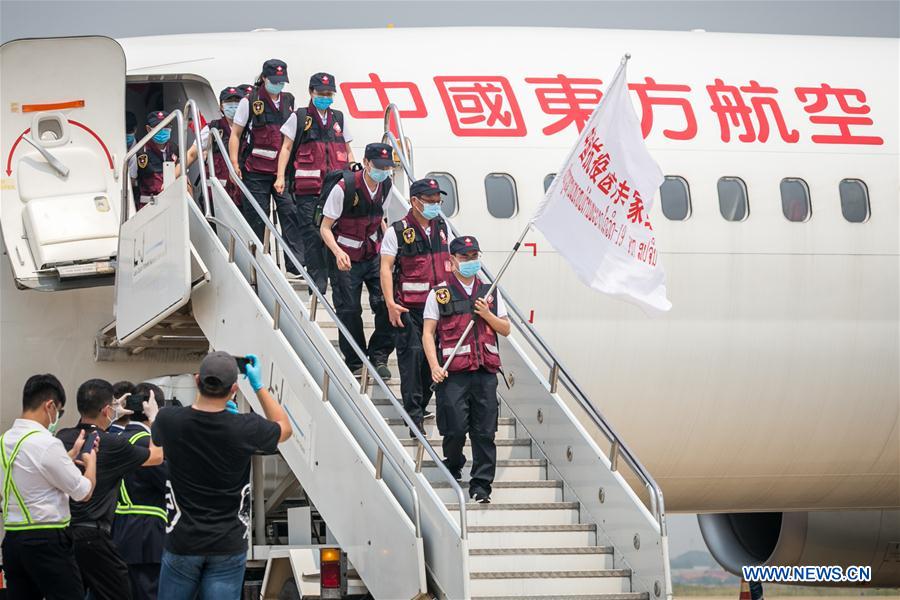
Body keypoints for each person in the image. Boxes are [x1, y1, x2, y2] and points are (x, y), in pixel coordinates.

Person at [153, 352, 292, 600]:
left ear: (197, 381)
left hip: (182, 541)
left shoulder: (169, 420)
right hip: (228, 542)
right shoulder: (246, 427)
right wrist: (258, 386)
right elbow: (285, 427)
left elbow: (159, 441)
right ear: (234, 390)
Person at [57, 379, 164, 600]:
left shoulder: (62, 437)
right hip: (94, 536)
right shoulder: (113, 445)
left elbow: (86, 427)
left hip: (63, 534)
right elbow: (156, 457)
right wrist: (155, 419)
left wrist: (110, 415)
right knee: (121, 593)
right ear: (106, 409)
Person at [422, 236, 510, 503]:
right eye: (465, 257)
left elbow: (505, 329)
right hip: (454, 374)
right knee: (455, 429)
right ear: (452, 261)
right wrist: (434, 366)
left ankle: (481, 486)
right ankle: (454, 459)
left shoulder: (490, 292)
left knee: (485, 432)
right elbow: (428, 333)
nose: (471, 262)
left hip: (484, 372)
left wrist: (487, 314)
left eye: (474, 257)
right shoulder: (439, 294)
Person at [0, 374, 97, 600]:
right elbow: (83, 492)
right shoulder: (46, 443)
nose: (57, 418)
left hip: (12, 541)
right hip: (47, 541)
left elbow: (29, 475)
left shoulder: (4, 441)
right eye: (59, 411)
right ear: (50, 405)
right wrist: (90, 463)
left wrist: (65, 459)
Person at [380, 178, 451, 436]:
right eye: (430, 202)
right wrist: (390, 303)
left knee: (430, 364)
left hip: (439, 311)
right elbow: (386, 268)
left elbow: (450, 262)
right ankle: (413, 418)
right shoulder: (397, 231)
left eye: (438, 202)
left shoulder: (442, 227)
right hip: (409, 309)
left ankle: (420, 406)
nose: (435, 206)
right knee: (411, 362)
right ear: (415, 202)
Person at [319, 143, 396, 379]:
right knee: (349, 309)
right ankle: (355, 360)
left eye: (387, 167)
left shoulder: (386, 186)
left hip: (372, 253)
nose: (383, 171)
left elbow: (380, 218)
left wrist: (388, 247)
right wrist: (337, 252)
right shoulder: (345, 187)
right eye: (378, 166)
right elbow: (325, 227)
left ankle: (379, 354)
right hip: (346, 256)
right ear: (366, 163)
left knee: (387, 302)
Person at [275, 72, 354, 294]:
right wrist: (280, 176)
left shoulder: (338, 118)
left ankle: (337, 279)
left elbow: (347, 151)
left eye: (329, 94)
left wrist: (353, 176)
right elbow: (287, 148)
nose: (325, 97)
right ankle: (317, 285)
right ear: (311, 92)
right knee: (312, 235)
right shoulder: (299, 117)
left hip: (334, 189)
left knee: (335, 233)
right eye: (321, 93)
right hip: (308, 191)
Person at [228, 59, 303, 274]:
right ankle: (259, 262)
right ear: (264, 78)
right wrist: (234, 163)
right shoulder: (250, 101)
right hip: (256, 170)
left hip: (282, 171)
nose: (279, 86)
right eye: (275, 81)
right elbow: (236, 134)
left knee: (289, 212)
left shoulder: (289, 101)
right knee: (258, 217)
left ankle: (295, 264)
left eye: (282, 82)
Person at [112, 382, 168, 600]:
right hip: (148, 533)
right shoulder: (147, 442)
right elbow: (168, 479)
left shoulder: (116, 439)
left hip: (120, 530)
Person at [133, 110, 185, 210]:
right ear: (149, 129)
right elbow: (132, 181)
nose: (162, 130)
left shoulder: (175, 148)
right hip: (148, 206)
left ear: (170, 128)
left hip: (172, 205)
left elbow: (182, 175)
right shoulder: (140, 151)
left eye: (166, 127)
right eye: (158, 127)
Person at [209, 86, 244, 206]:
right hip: (220, 196)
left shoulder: (251, 127)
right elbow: (192, 154)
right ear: (221, 106)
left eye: (237, 102)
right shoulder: (213, 128)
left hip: (245, 194)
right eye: (229, 102)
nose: (233, 105)